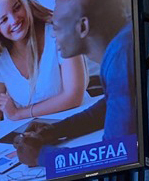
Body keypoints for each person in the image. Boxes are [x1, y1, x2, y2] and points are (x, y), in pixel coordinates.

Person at [14, 0, 136, 166]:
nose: (52, 35)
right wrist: (56, 130)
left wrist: (41, 157)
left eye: (56, 28)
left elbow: (116, 157)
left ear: (83, 27)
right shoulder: (123, 44)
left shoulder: (121, 59)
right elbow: (109, 105)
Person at [0, 0, 87, 125]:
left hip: (76, 123)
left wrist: (19, 113)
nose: (14, 20)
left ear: (26, 4)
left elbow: (74, 97)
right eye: (4, 20)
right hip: (35, 135)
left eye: (16, 8)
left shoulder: (58, 31)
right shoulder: (0, 56)